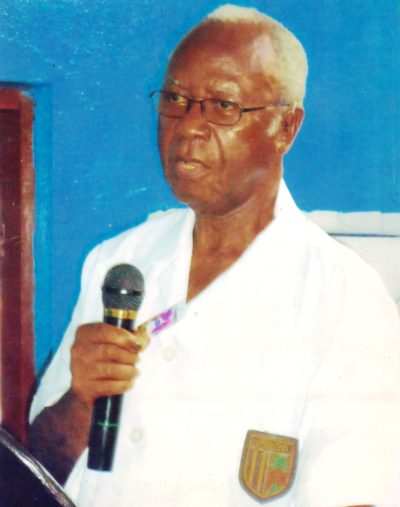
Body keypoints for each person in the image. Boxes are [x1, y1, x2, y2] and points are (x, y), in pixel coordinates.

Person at [29, 5, 400, 506]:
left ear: (286, 127)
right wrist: (80, 400)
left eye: (222, 106)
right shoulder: (119, 262)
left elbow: (356, 495)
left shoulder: (344, 296)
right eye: (175, 99)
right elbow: (40, 467)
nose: (188, 127)